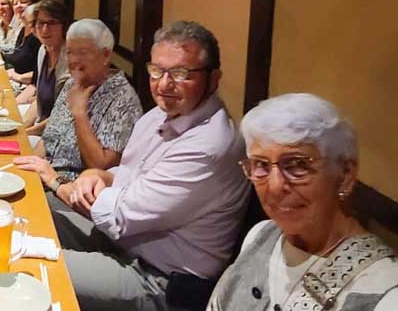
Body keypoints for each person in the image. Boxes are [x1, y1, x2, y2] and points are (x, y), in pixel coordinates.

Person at [51, 21, 250, 311]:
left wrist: (66, 185)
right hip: (121, 243)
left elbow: (119, 216)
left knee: (31, 265)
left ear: (214, 78)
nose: (164, 84)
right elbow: (129, 174)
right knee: (36, 216)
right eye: (157, 70)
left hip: (159, 280)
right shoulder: (158, 114)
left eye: (181, 73)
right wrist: (102, 176)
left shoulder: (210, 145)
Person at [208, 93, 398, 310]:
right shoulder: (261, 235)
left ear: (345, 174)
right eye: (261, 164)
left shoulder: (385, 295)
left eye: (297, 164)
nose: (275, 186)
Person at [15, 19, 142, 196]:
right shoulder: (72, 83)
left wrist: (79, 113)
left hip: (73, 192)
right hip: (45, 176)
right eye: (69, 52)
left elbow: (101, 167)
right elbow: (48, 137)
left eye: (83, 53)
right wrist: (30, 169)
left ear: (106, 55)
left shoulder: (123, 99)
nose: (74, 60)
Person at [22, 0, 70, 125]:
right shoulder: (42, 50)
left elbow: (63, 115)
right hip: (41, 123)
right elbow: (39, 102)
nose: (45, 29)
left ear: (64, 26)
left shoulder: (72, 58)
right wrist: (23, 125)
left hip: (58, 130)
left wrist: (26, 132)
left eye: (52, 23)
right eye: (41, 23)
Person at [4, 4, 41, 87]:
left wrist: (15, 76)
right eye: (15, 3)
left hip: (23, 83)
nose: (44, 29)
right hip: (19, 82)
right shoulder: (23, 30)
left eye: (51, 23)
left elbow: (37, 79)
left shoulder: (39, 41)